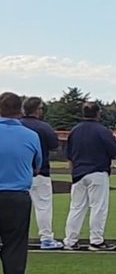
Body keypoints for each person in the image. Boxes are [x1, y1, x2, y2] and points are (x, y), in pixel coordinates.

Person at [1, 92, 41, 274]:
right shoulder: (30, 135)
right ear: (19, 110)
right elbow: (37, 165)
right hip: (16, 196)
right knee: (15, 247)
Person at [63, 101, 116, 250]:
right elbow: (114, 151)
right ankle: (96, 240)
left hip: (78, 173)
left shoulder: (75, 131)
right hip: (97, 171)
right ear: (98, 113)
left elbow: (69, 155)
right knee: (98, 207)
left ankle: (70, 240)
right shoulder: (102, 130)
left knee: (76, 207)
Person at [19, 97, 63, 249]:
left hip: (18, 173)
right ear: (37, 110)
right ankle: (46, 239)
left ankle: (12, 239)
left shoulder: (17, 125)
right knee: (43, 207)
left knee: (15, 208)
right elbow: (55, 147)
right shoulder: (44, 127)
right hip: (40, 172)